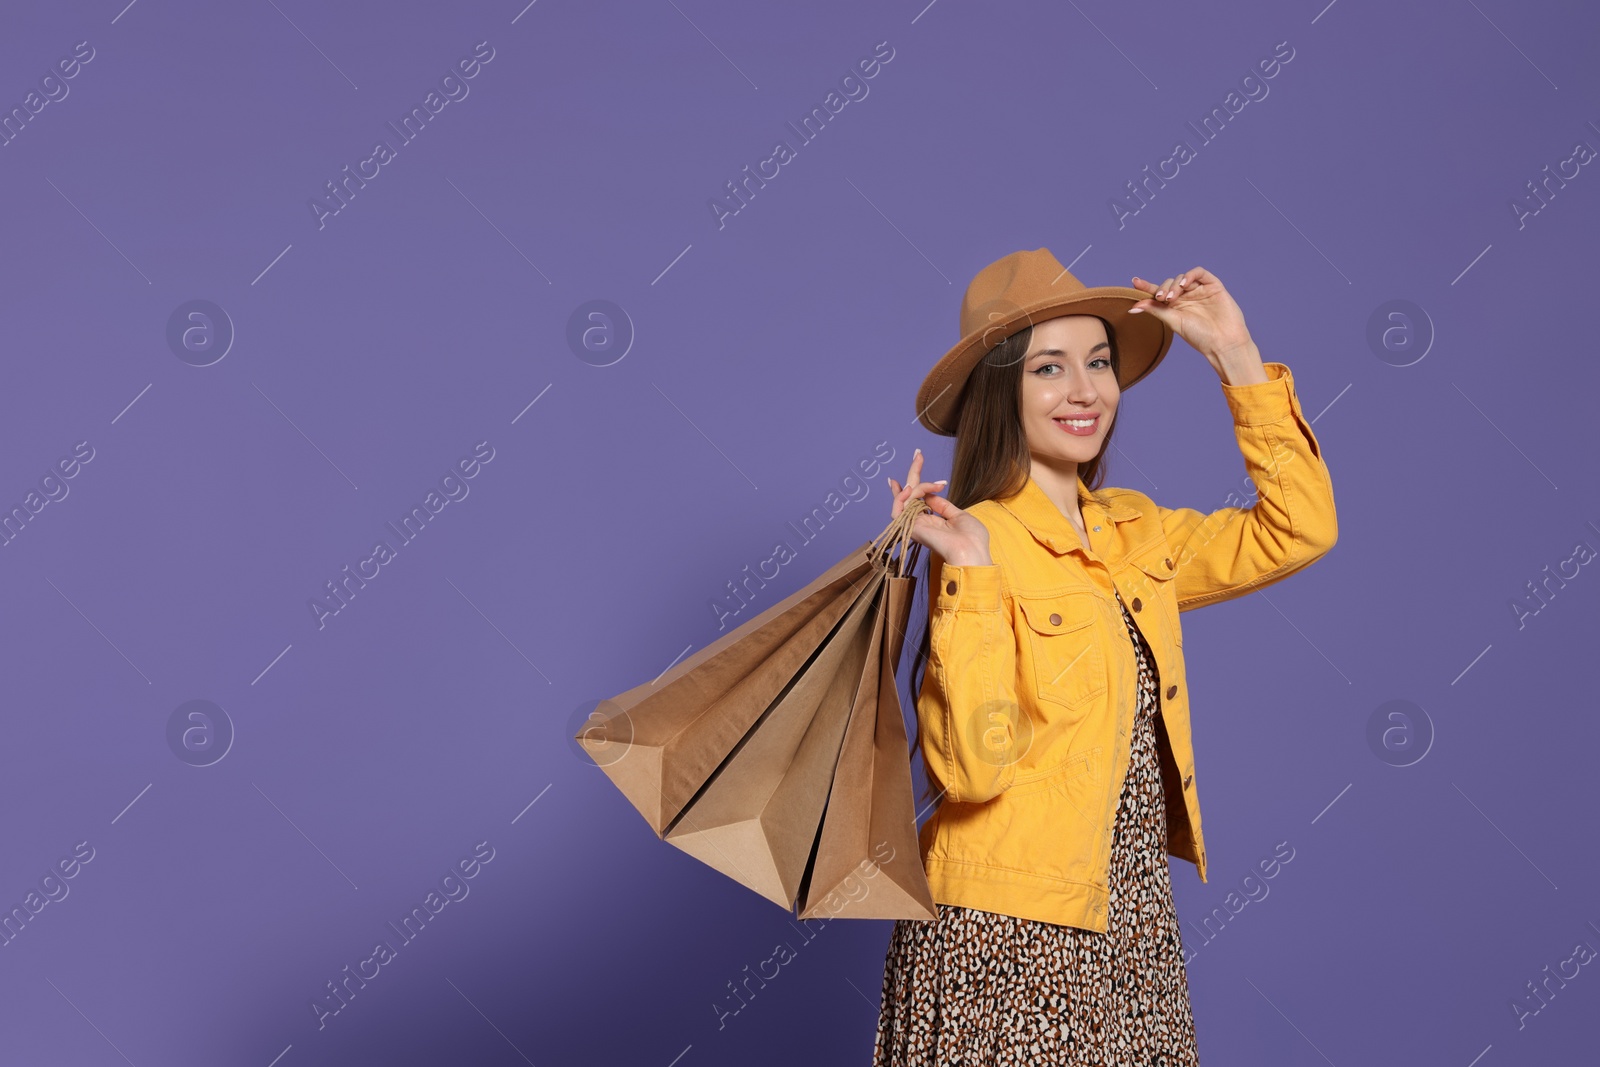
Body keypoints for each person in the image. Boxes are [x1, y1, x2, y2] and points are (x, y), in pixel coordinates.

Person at [870, 248, 1339, 1066]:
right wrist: (971, 576)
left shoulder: (1135, 530)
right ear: (1002, 388)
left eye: (1099, 362)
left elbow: (1299, 528)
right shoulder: (980, 539)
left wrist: (1235, 354)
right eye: (1050, 368)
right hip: (1009, 935)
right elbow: (973, 772)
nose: (1084, 390)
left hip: (1129, 923)